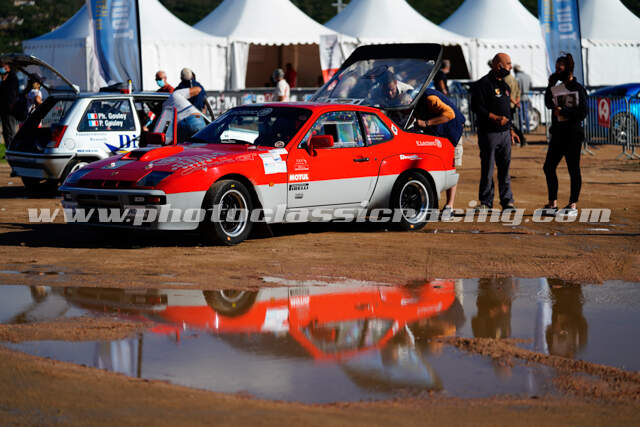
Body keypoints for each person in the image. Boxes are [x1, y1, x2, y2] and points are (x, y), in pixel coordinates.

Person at [471, 53, 520, 212]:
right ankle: (486, 202)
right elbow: (476, 107)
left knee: (505, 170)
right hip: (489, 133)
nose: (510, 67)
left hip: (505, 134)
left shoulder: (505, 86)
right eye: (508, 64)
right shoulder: (483, 84)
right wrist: (495, 118)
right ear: (498, 65)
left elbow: (507, 111)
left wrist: (511, 130)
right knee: (488, 169)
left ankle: (507, 202)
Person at [542, 53, 588, 217]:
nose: (557, 72)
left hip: (573, 134)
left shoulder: (578, 88)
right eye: (556, 69)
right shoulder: (558, 87)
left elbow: (582, 112)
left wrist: (564, 111)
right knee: (548, 167)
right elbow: (548, 103)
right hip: (558, 133)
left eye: (560, 69)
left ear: (568, 68)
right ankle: (552, 204)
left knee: (573, 168)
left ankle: (572, 204)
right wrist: (550, 84)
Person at [413, 88, 465, 218]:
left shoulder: (429, 99)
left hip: (452, 132)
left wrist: (426, 123)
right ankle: (431, 204)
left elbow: (450, 114)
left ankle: (449, 206)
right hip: (437, 134)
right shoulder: (415, 101)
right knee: (433, 167)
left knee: (450, 167)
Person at [0, 60, 19, 148]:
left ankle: (12, 148)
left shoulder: (12, 77)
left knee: (10, 130)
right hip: (4, 108)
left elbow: (10, 93)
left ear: (7, 67)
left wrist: (3, 82)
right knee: (6, 131)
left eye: (2, 67)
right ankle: (9, 148)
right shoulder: (5, 77)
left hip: (10, 108)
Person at [505, 70, 526, 147]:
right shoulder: (513, 78)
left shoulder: (505, 80)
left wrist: (514, 102)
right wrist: (517, 101)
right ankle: (519, 139)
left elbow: (507, 93)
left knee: (509, 123)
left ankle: (521, 138)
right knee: (510, 123)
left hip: (508, 105)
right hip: (513, 105)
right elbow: (518, 91)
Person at [514, 64, 532, 138]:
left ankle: (521, 130)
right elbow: (531, 86)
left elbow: (516, 87)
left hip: (520, 97)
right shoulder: (527, 76)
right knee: (526, 113)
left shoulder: (517, 76)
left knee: (520, 114)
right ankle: (528, 129)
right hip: (526, 97)